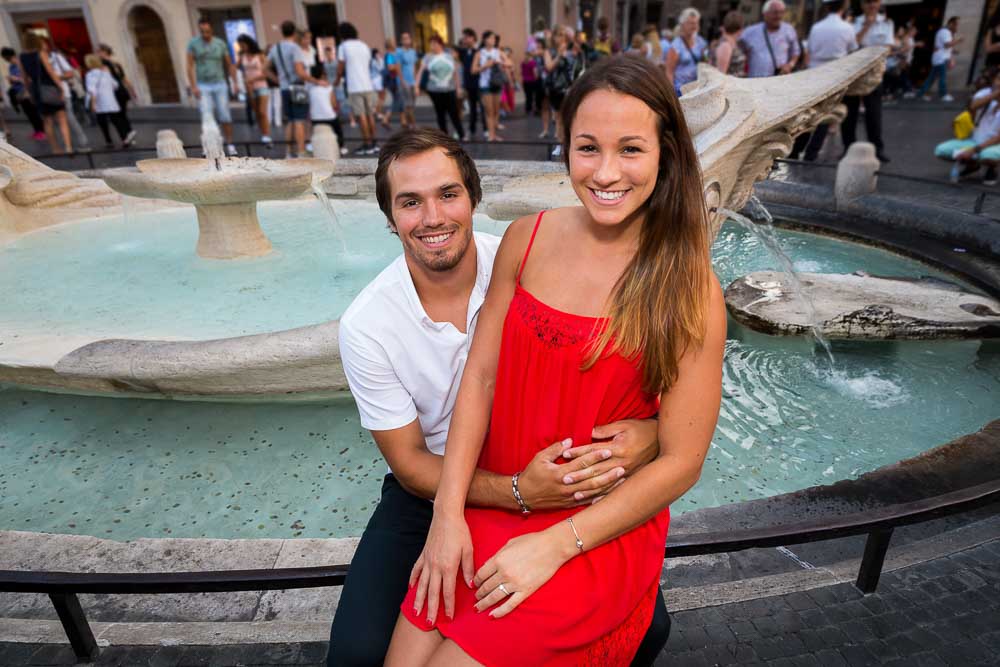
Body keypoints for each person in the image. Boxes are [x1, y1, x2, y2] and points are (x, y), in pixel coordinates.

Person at [386, 54, 724, 666]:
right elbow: (480, 380)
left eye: (631, 149)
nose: (606, 172)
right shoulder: (527, 238)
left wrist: (556, 545)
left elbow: (682, 461)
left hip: (593, 534)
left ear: (666, 153)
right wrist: (448, 516)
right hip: (498, 505)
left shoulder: (688, 283)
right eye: (587, 147)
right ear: (565, 148)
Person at [326, 126, 671, 667]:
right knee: (355, 656)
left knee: (647, 627)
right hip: (435, 490)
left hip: (542, 467)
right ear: (390, 218)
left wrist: (652, 434)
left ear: (473, 197)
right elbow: (413, 464)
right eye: (410, 202)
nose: (434, 217)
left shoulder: (527, 260)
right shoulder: (367, 326)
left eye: (448, 194)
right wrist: (516, 493)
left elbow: (618, 372)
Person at [789, 0, 856, 161]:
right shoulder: (847, 28)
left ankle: (796, 150)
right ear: (843, 7)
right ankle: (811, 153)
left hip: (816, 73)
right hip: (835, 74)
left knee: (810, 114)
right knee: (826, 115)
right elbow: (853, 51)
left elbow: (810, 50)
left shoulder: (816, 27)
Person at [268, 20, 328, 157]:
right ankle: (301, 151)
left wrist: (278, 80)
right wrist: (317, 81)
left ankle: (289, 152)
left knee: (290, 121)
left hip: (284, 88)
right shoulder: (295, 49)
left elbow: (265, 69)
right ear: (294, 32)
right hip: (298, 88)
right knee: (300, 120)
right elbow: (300, 72)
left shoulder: (275, 48)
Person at [843, 0, 893, 162]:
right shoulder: (853, 22)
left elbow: (888, 48)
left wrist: (872, 57)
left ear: (879, 4)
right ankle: (848, 147)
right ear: (862, 5)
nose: (872, 5)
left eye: (875, 2)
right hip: (854, 72)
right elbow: (851, 46)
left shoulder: (886, 23)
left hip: (874, 73)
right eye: (868, 2)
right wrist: (866, 27)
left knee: (874, 112)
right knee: (850, 112)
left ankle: (877, 149)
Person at [935, 69, 1000, 185]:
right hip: (975, 141)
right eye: (998, 79)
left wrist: (974, 150)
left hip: (994, 145)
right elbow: (973, 106)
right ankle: (973, 165)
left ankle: (992, 168)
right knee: (941, 150)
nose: (999, 83)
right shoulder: (985, 93)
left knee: (987, 155)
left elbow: (998, 138)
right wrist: (994, 95)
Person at [187, 17, 238, 156]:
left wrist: (235, 82)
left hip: (220, 83)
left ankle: (230, 143)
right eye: (202, 32)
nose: (205, 35)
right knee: (206, 115)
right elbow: (189, 65)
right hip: (203, 85)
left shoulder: (220, 43)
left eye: (207, 31)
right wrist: (193, 86)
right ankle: (209, 145)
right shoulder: (193, 44)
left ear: (212, 30)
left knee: (225, 114)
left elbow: (230, 64)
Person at [19, 32, 72, 154]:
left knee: (47, 121)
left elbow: (25, 78)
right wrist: (61, 87)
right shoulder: (40, 53)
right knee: (62, 118)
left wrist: (29, 92)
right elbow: (51, 72)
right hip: (50, 88)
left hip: (37, 91)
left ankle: (55, 149)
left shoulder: (21, 57)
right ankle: (68, 147)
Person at [336, 22, 377, 154]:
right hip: (368, 85)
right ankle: (374, 142)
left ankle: (367, 144)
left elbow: (341, 66)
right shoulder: (364, 45)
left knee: (361, 116)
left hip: (354, 86)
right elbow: (368, 62)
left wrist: (337, 79)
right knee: (370, 114)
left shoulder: (343, 46)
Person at [415, 34, 464, 141]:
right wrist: (417, 86)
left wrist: (458, 88)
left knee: (453, 112)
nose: (432, 46)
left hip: (449, 89)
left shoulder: (449, 56)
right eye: (431, 44)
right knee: (440, 113)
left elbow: (455, 73)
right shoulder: (428, 57)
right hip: (434, 90)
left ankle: (461, 134)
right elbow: (420, 71)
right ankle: (444, 136)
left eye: (434, 44)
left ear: (440, 44)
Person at [543, 28, 581, 156]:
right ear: (553, 37)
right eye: (558, 35)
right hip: (556, 88)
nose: (560, 38)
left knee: (570, 116)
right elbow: (548, 67)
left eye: (562, 35)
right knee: (559, 117)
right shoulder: (549, 52)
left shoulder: (572, 50)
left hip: (570, 87)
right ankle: (560, 144)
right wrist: (559, 55)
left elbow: (577, 66)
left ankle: (569, 144)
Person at [48, 41, 90, 152]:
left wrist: (55, 77)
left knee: (69, 117)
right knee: (54, 120)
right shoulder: (36, 59)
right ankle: (67, 144)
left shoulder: (56, 57)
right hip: (48, 93)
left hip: (62, 92)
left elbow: (70, 73)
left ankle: (81, 143)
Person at [742, 0, 801, 78]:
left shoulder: (789, 30)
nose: (779, 16)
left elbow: (796, 52)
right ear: (765, 13)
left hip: (778, 81)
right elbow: (737, 49)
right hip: (755, 80)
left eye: (782, 12)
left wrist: (790, 65)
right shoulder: (750, 32)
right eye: (775, 12)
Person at [84, 53, 130, 148]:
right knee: (116, 121)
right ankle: (124, 139)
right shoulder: (105, 73)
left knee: (103, 123)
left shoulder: (90, 75)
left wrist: (92, 104)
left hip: (99, 102)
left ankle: (109, 141)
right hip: (111, 101)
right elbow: (115, 85)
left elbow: (92, 90)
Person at [2, 47, 46, 140]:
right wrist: (11, 80)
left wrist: (16, 79)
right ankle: (37, 131)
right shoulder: (11, 67)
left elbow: (29, 80)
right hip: (19, 93)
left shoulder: (21, 64)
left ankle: (42, 131)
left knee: (34, 113)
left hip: (26, 91)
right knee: (28, 113)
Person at [472, 31, 508, 142]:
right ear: (484, 40)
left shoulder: (498, 52)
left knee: (496, 110)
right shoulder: (479, 53)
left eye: (494, 38)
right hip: (485, 85)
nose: (493, 40)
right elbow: (473, 70)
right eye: (490, 38)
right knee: (489, 111)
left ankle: (494, 134)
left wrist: (500, 63)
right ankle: (491, 135)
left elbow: (510, 63)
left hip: (497, 83)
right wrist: (485, 66)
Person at [97, 44, 136, 144]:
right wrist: (132, 90)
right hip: (123, 91)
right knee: (122, 114)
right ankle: (129, 132)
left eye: (98, 51)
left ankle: (127, 135)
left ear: (104, 52)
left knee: (117, 116)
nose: (97, 54)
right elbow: (124, 79)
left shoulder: (103, 64)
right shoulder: (116, 64)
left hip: (114, 92)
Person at [237, 34, 272, 145]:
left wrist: (252, 78)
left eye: (243, 45)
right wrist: (242, 79)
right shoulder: (242, 56)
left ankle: (267, 135)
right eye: (240, 45)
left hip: (261, 85)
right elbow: (236, 68)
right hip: (250, 87)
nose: (242, 47)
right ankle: (263, 133)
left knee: (262, 112)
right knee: (256, 112)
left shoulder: (260, 55)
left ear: (248, 43)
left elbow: (266, 73)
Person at [918, 17, 962, 102]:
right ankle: (943, 94)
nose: (957, 27)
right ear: (951, 24)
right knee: (942, 77)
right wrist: (958, 41)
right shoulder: (945, 32)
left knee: (932, 77)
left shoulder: (944, 32)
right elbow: (947, 44)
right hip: (941, 58)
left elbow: (944, 46)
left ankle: (921, 93)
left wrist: (954, 51)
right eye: (956, 24)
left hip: (939, 58)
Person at [665, 7, 708, 95]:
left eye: (696, 23)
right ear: (682, 24)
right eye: (691, 23)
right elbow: (669, 72)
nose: (694, 26)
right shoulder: (676, 45)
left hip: (697, 89)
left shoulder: (701, 42)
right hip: (680, 91)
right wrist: (671, 93)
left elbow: (706, 62)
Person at [308, 63, 345, 155]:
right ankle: (341, 146)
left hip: (315, 119)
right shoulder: (328, 87)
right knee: (338, 129)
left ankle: (310, 144)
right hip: (329, 118)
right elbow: (334, 104)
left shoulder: (309, 87)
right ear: (323, 74)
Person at [456, 28, 481, 140]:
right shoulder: (463, 52)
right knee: (472, 108)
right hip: (469, 84)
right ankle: (472, 129)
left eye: (467, 37)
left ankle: (486, 129)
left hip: (479, 84)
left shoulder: (479, 51)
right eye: (464, 38)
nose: (465, 40)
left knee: (484, 108)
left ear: (473, 38)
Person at [711, 11, 747, 77]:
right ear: (740, 28)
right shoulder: (726, 45)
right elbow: (721, 75)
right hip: (729, 86)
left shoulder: (732, 43)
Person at [397, 32, 419, 130]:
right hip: (404, 82)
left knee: (412, 105)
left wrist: (416, 83)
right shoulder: (398, 52)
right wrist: (402, 81)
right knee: (408, 104)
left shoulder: (413, 52)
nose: (406, 40)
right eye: (404, 38)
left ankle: (408, 123)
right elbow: (398, 67)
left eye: (408, 38)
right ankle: (413, 126)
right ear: (401, 41)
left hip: (412, 82)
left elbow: (414, 67)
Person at [521, 45, 542, 115]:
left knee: (528, 96)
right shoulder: (532, 62)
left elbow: (522, 72)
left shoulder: (523, 63)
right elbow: (535, 72)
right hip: (532, 81)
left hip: (525, 81)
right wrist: (537, 78)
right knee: (534, 96)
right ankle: (535, 109)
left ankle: (528, 109)